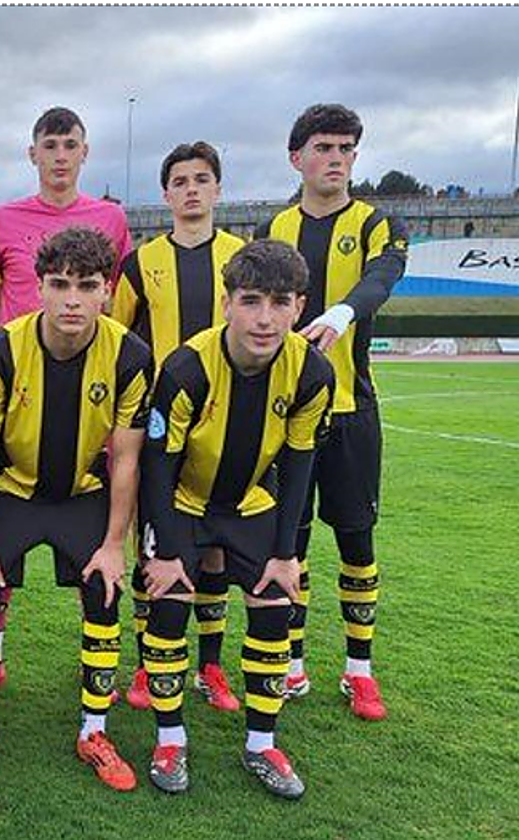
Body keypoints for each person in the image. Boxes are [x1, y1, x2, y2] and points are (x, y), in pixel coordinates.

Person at [0, 227, 152, 792]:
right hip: (12, 489)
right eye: (60, 284)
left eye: (87, 286)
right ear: (38, 287)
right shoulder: (0, 351)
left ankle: (94, 731)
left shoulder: (130, 355)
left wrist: (113, 546)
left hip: (82, 492)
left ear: (107, 291)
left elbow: (126, 460)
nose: (72, 299)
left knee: (105, 593)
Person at [139, 239, 333, 800]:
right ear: (227, 303)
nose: (265, 318)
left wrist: (286, 553)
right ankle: (170, 739)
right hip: (183, 502)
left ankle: (261, 745)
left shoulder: (312, 372)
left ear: (299, 307)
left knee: (275, 606)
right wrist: (167, 553)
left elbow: (299, 466)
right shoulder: (186, 368)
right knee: (169, 606)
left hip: (250, 502)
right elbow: (159, 466)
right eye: (251, 301)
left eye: (280, 302)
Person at [255, 103, 407, 720]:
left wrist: (343, 312)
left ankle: (358, 670)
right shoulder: (275, 226)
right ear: (298, 158)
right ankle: (291, 663)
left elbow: (383, 276)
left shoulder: (375, 221)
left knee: (355, 541)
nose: (337, 159)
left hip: (350, 410)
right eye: (324, 148)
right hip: (287, 413)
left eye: (346, 149)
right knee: (287, 543)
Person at [112, 141, 246, 713]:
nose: (192, 190)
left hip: (228, 423)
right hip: (161, 428)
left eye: (202, 179)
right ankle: (150, 664)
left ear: (218, 189)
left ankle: (210, 666)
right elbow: (117, 340)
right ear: (166, 194)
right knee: (153, 544)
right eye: (181, 181)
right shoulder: (139, 264)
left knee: (213, 550)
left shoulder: (242, 258)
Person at [0, 106, 132, 324]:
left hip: (88, 344)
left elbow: (122, 292)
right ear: (33, 154)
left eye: (70, 145)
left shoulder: (112, 218)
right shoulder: (2, 220)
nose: (61, 156)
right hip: (21, 345)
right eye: (50, 146)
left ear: (84, 152)